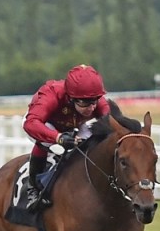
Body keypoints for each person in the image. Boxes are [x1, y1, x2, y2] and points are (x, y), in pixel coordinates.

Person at [22, 64, 110, 211]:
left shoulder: (95, 101)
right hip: (45, 124)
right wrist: (58, 138)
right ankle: (33, 188)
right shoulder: (51, 94)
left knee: (95, 141)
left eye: (95, 100)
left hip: (74, 123)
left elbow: (111, 123)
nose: (91, 107)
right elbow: (31, 124)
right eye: (85, 103)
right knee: (47, 143)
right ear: (70, 97)